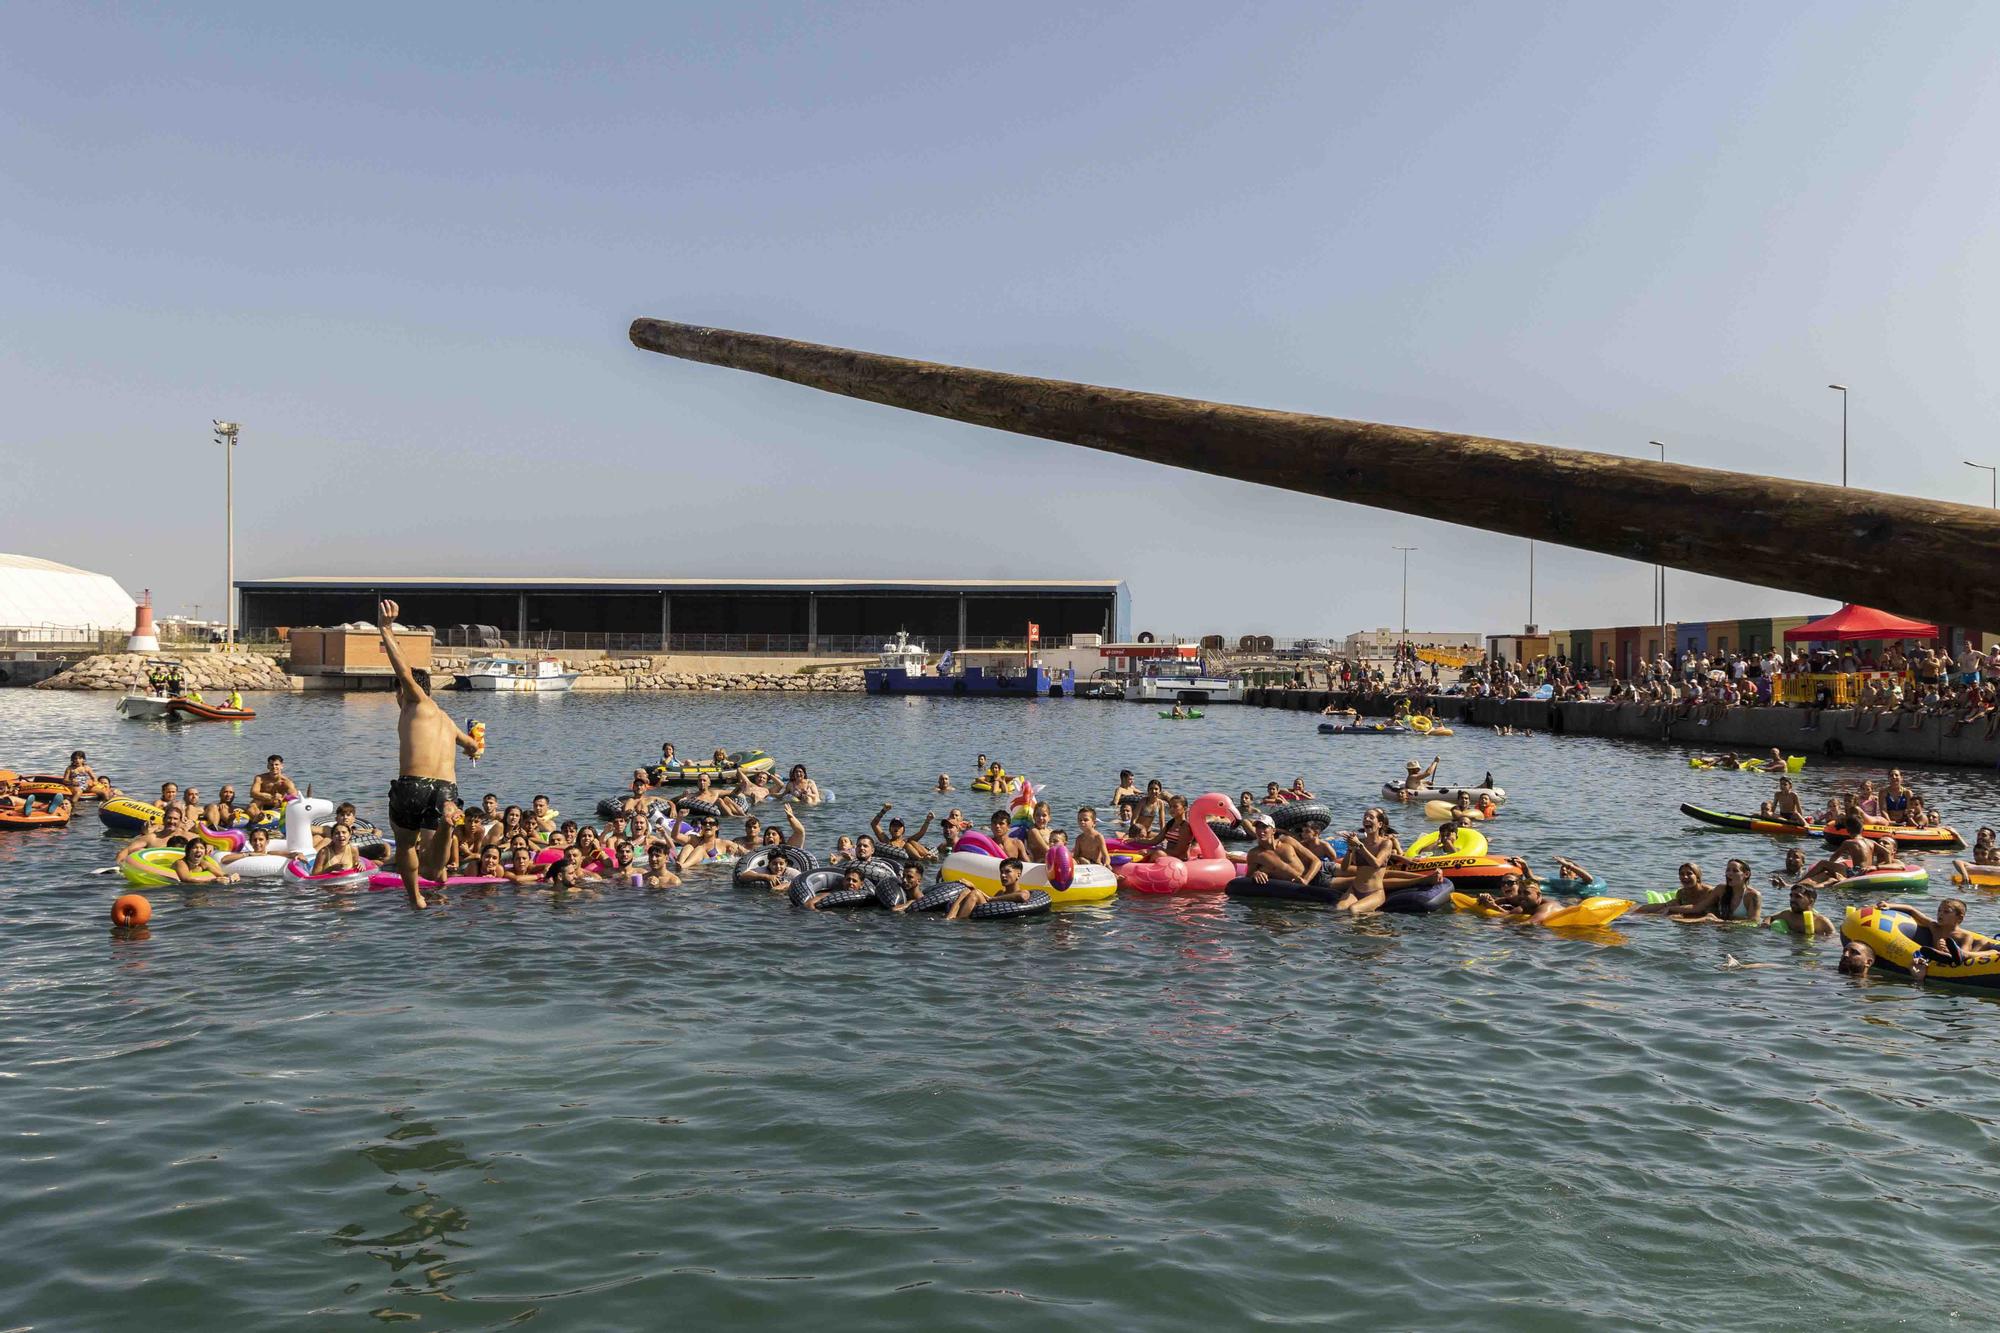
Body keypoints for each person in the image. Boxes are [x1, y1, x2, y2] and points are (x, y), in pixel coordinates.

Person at [374, 599, 484, 909]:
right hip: (446, 788)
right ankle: (444, 843)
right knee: (435, 866)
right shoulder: (446, 721)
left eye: (397, 691)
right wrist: (474, 748)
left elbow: (404, 670)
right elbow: (473, 747)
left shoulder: (415, 702)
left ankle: (415, 899)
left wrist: (386, 629)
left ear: (403, 691)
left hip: (413, 784)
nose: (396, 696)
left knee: (405, 844)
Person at [947, 857, 1035, 919]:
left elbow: (1022, 897)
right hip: (991, 922)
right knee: (966, 891)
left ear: (1018, 875)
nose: (1003, 875)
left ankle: (958, 922)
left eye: (1008, 872)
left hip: (1007, 926)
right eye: (1001, 872)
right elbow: (988, 900)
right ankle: (950, 918)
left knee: (975, 893)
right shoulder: (1000, 893)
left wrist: (990, 898)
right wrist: (973, 887)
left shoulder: (1023, 892)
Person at [1243, 821, 1320, 886]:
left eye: (1264, 827)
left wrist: (1306, 880)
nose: (1260, 831)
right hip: (1292, 887)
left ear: (1273, 831)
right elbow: (1248, 877)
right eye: (1258, 827)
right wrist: (1255, 873)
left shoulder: (1287, 841)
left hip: (1315, 875)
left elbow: (1316, 861)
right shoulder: (1254, 854)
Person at [1763, 883, 1835, 937]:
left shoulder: (1821, 921)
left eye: (1798, 896)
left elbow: (1833, 939)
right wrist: (1765, 924)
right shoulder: (1787, 915)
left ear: (1811, 901)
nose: (1792, 899)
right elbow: (1770, 917)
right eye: (1791, 896)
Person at [171, 837, 240, 885]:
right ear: (188, 851)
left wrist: (231, 876)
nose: (198, 850)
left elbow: (222, 874)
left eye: (202, 848)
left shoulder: (204, 864)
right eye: (195, 848)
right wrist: (212, 881)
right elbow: (186, 879)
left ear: (205, 852)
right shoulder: (180, 863)